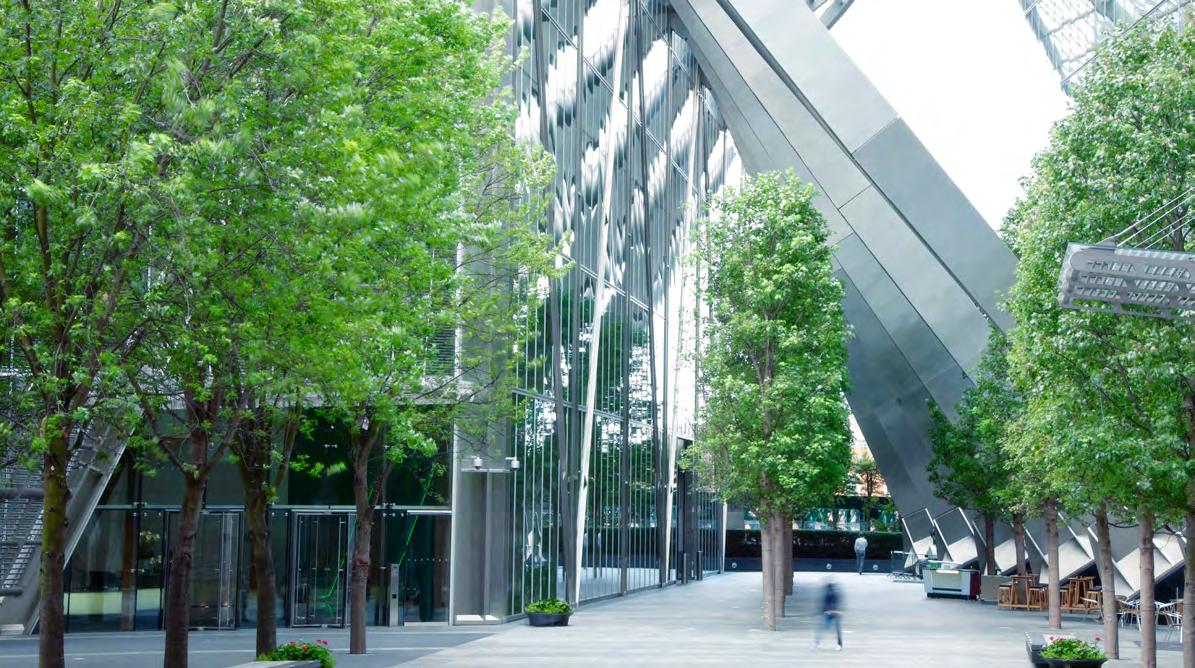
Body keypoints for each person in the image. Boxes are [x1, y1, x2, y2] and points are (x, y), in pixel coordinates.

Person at [814, 578, 843, 651]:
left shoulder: (829, 592)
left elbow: (828, 603)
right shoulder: (831, 591)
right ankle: (839, 644)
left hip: (832, 613)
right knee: (834, 629)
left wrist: (826, 611)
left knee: (823, 628)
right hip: (832, 613)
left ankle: (817, 643)